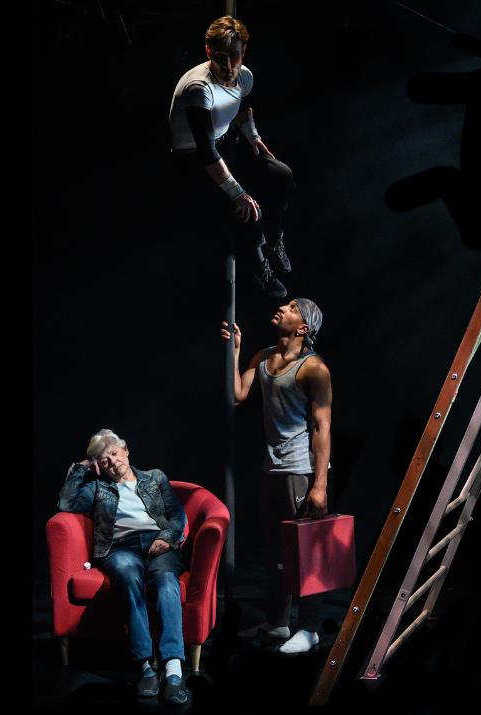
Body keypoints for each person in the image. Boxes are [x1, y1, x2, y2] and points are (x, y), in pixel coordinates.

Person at [221, 298, 333, 654]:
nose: (283, 307)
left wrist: (319, 485)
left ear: (303, 328)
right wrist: (235, 352)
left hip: (300, 469)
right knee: (276, 552)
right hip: (271, 467)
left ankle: (310, 628)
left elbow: (322, 426)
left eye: (292, 308)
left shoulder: (313, 368)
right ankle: (279, 622)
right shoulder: (264, 356)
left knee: (306, 553)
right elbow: (237, 395)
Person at [57, 429, 191, 704]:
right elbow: (65, 503)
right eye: (104, 461)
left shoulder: (155, 477)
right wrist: (82, 467)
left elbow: (177, 515)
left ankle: (173, 668)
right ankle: (145, 666)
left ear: (126, 450)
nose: (112, 462)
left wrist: (166, 538)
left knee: (167, 582)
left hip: (158, 543)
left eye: (115, 454)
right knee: (129, 578)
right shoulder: (96, 487)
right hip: (120, 548)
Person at [169, 14, 295, 298]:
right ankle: (258, 263)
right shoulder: (197, 89)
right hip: (194, 160)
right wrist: (238, 193)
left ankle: (273, 239)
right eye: (220, 57)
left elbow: (242, 106)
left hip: (225, 144)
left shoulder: (245, 75)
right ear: (208, 52)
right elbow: (205, 150)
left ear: (244, 52)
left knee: (282, 175)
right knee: (250, 210)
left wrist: (254, 137)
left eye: (234, 56)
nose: (228, 66)